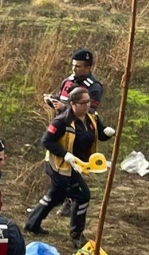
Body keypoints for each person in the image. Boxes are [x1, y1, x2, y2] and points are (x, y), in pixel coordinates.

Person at [25, 87, 115, 249]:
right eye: (83, 102)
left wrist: (108, 133)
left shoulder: (92, 117)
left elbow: (99, 134)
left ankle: (32, 223)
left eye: (89, 101)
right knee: (83, 196)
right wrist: (65, 154)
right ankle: (76, 234)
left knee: (55, 196)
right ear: (72, 104)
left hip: (77, 166)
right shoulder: (61, 122)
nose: (87, 105)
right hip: (60, 167)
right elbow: (46, 141)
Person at [43, 49, 104, 218]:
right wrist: (52, 100)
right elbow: (62, 100)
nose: (74, 69)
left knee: (73, 170)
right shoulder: (67, 81)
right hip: (61, 131)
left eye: (78, 66)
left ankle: (69, 203)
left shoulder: (94, 87)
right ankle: (58, 199)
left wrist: (65, 109)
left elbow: (90, 112)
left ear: (88, 67)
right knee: (57, 166)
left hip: (78, 134)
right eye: (73, 65)